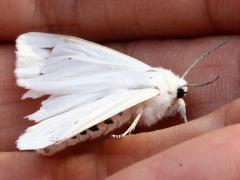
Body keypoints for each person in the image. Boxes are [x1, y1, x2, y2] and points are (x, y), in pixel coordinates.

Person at [0, 1, 239, 179]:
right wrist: (130, 131)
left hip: (102, 101)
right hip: (98, 113)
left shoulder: (146, 72)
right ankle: (51, 135)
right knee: (89, 120)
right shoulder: (153, 90)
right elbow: (142, 115)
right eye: (179, 96)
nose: (179, 100)